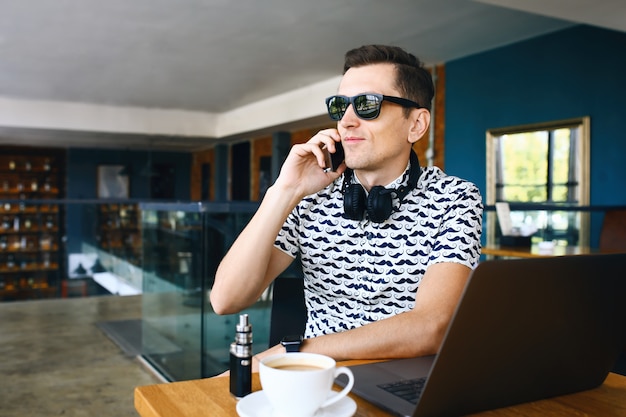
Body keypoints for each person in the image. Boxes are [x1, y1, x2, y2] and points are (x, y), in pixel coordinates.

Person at [210, 44, 483, 367]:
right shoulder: (309, 196)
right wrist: (285, 190)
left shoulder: (455, 198)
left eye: (368, 105)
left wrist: (294, 351)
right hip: (314, 379)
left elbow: (432, 327)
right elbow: (226, 299)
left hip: (405, 380)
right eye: (341, 106)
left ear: (417, 124)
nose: (347, 121)